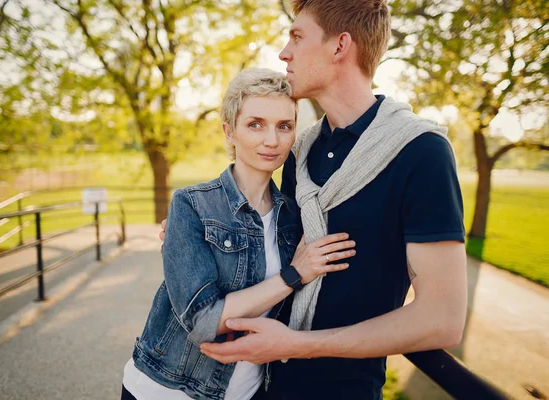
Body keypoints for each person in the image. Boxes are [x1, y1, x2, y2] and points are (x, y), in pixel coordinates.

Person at [197, 1, 468, 399]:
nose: (283, 53)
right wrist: (196, 223)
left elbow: (442, 319)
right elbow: (261, 238)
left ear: (339, 46)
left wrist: (295, 345)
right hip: (260, 383)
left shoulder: (420, 152)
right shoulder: (298, 153)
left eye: (297, 36)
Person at [121, 68, 356, 400]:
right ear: (229, 131)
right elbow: (203, 322)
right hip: (169, 389)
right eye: (255, 124)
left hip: (249, 391)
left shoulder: (295, 218)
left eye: (284, 126)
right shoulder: (191, 205)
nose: (271, 140)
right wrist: (294, 274)